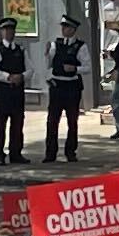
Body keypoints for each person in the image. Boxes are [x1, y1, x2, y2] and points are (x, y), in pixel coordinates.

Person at [42, 24, 86, 162]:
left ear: (73, 30)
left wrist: (75, 68)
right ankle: (50, 153)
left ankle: (70, 151)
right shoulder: (56, 45)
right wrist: (47, 54)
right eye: (63, 27)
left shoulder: (80, 46)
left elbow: (88, 66)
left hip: (72, 85)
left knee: (72, 120)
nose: (64, 30)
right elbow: (49, 65)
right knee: (52, 120)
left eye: (67, 27)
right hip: (57, 85)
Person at [0, 16, 29, 163]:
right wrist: (8, 77)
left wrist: (21, 76)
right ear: (1, 32)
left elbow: (30, 69)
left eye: (11, 30)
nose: (8, 33)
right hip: (2, 91)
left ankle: (16, 153)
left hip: (17, 91)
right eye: (5, 30)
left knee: (18, 122)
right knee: (1, 123)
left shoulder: (21, 50)